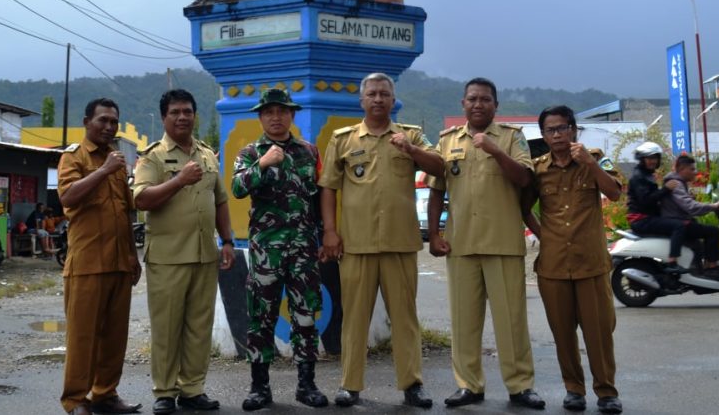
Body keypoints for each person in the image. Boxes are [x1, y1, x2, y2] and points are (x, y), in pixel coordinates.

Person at [318, 72, 444, 408]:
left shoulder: (411, 134)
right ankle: (350, 385)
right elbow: (328, 187)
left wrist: (412, 149)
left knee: (405, 318)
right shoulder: (342, 139)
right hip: (355, 245)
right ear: (362, 100)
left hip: (400, 244)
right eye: (371, 94)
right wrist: (330, 231)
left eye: (384, 94)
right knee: (354, 317)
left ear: (393, 99)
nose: (377, 99)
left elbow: (441, 166)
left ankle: (412, 384)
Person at [427, 79, 545, 410]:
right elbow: (437, 189)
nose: (479, 104)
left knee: (512, 321)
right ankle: (469, 385)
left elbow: (524, 179)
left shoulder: (511, 137)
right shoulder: (447, 141)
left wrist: (495, 150)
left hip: (503, 242)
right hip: (461, 243)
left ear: (496, 105)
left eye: (486, 99)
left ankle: (520, 386)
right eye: (473, 99)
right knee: (464, 321)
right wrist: (434, 233)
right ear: (463, 103)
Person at [133, 90, 235, 414]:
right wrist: (178, 180)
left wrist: (228, 241)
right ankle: (164, 392)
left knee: (199, 327)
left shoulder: (207, 155)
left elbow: (220, 200)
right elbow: (141, 199)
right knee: (167, 328)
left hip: (205, 255)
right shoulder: (152, 157)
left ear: (195, 115)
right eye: (175, 112)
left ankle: (192, 389)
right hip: (167, 256)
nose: (182, 117)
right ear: (164, 117)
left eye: (187, 111)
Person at [231, 88, 328, 411]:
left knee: (305, 317)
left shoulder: (309, 152)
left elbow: (319, 196)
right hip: (265, 254)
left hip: (303, 250)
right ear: (260, 117)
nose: (276, 117)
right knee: (261, 318)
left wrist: (326, 234)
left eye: (282, 111)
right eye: (269, 112)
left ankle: (306, 384)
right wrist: (262, 163)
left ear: (292, 115)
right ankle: (260, 387)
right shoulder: (249, 152)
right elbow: (237, 188)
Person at [522, 105, 623, 415]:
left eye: (563, 128)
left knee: (599, 332)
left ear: (574, 130)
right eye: (551, 130)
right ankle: (573, 389)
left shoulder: (592, 158)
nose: (558, 135)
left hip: (590, 263)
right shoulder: (538, 169)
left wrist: (590, 163)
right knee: (562, 332)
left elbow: (615, 192)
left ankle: (606, 391)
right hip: (553, 266)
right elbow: (523, 207)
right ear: (543, 135)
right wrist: (544, 235)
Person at [56, 98, 142, 415]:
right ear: (86, 122)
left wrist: (133, 257)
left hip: (120, 261)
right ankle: (76, 400)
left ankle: (105, 394)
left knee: (114, 336)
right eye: (102, 120)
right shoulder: (73, 157)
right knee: (83, 337)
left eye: (113, 122)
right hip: (87, 263)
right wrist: (103, 171)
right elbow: (68, 196)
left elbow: (125, 211)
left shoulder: (117, 162)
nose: (108, 127)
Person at [659, 154, 719, 276]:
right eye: (692, 169)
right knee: (712, 231)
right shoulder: (676, 184)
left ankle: (699, 268)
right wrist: (713, 206)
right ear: (682, 169)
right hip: (677, 222)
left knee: (701, 237)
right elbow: (690, 206)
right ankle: (711, 266)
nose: (695, 172)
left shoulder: (679, 183)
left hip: (678, 221)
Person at [626, 141, 686, 274]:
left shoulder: (647, 174)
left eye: (655, 158)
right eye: (649, 158)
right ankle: (672, 262)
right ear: (642, 159)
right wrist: (666, 189)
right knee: (679, 225)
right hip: (641, 219)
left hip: (647, 217)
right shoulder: (639, 177)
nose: (653, 161)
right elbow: (646, 200)